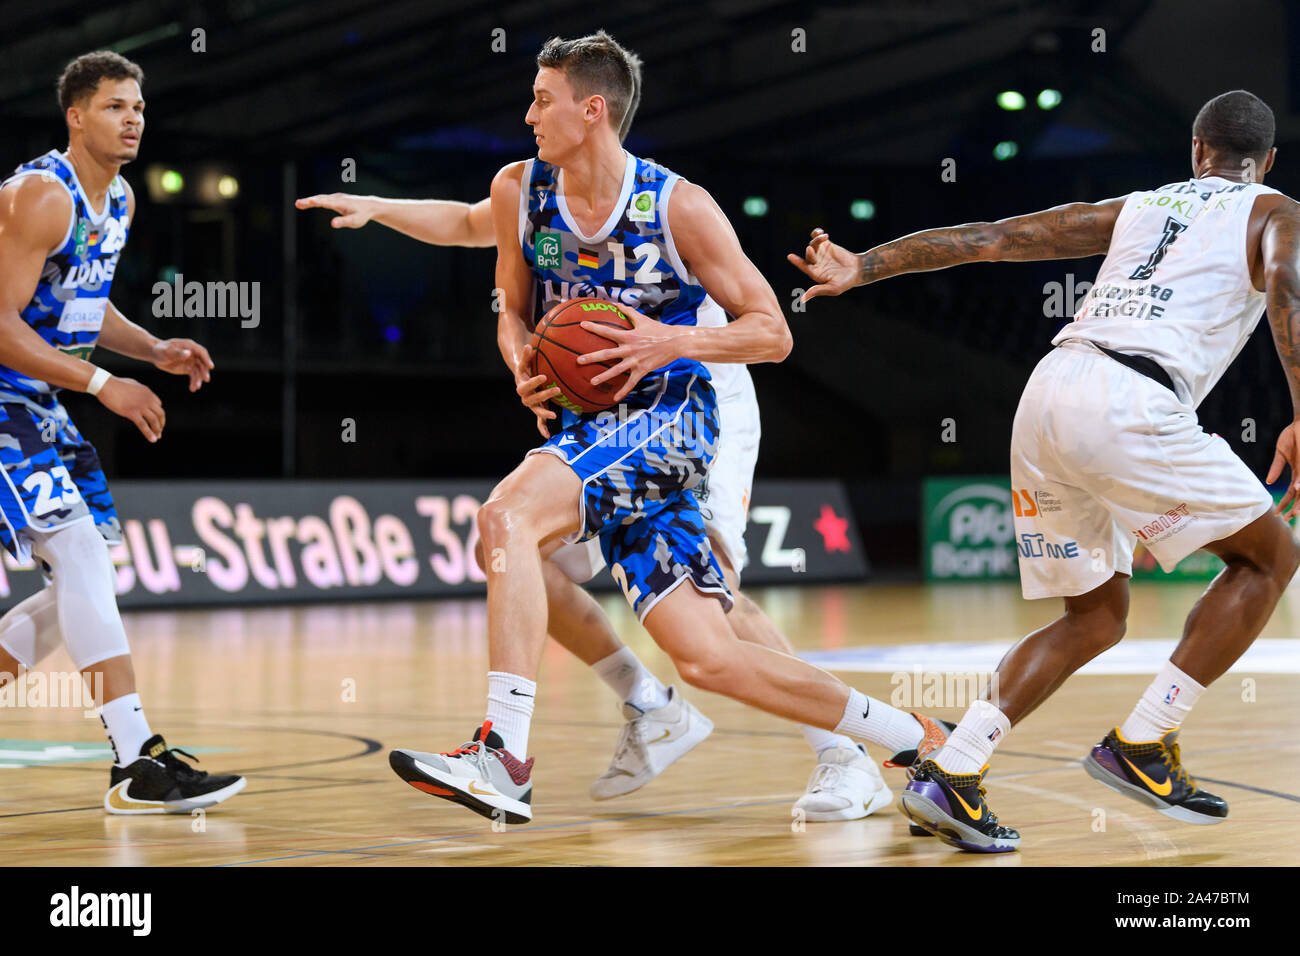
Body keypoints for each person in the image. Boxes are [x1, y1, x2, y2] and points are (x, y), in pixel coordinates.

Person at [296, 52, 946, 822]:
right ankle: (656, 703)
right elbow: (493, 268)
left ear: (594, 109)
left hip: (690, 395)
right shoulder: (522, 189)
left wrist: (666, 342)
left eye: (542, 100)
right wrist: (519, 361)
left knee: (542, 529)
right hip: (597, 412)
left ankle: (835, 755)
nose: (528, 115)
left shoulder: (678, 205)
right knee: (533, 563)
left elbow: (772, 333)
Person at [790, 89, 1300, 852]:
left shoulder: (1140, 205)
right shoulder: (1277, 212)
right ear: (1267, 161)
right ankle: (1144, 742)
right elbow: (1288, 285)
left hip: (1052, 389)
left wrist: (865, 264)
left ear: (1196, 151)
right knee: (1270, 557)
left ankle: (954, 771)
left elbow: (996, 237)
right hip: (1135, 400)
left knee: (1093, 616)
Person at [0, 51, 245, 813]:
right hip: (6, 388)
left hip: (38, 397)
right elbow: (0, 325)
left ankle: (134, 758)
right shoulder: (42, 195)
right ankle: (135, 757)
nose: (132, 118)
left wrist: (152, 348)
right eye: (114, 107)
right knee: (76, 553)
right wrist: (105, 383)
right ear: (76, 116)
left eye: (137, 106)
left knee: (92, 569)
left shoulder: (123, 201)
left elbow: (82, 304)